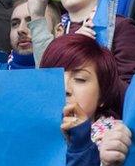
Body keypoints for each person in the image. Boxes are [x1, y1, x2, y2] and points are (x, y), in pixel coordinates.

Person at [40, 34, 124, 166]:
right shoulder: (30, 133)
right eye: (54, 77)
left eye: (80, 79)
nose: (65, 88)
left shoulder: (115, 142)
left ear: (102, 95)